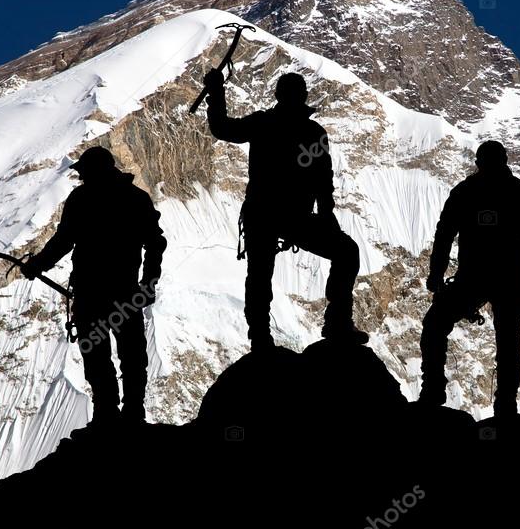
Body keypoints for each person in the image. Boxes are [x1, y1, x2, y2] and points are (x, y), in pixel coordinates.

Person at [203, 68, 368, 350]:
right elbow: (322, 182)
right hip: (295, 218)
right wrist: (327, 219)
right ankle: (337, 322)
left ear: (278, 96)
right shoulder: (314, 133)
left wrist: (216, 92)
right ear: (303, 97)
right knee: (346, 252)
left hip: (262, 214)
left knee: (259, 275)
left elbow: (222, 128)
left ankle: (260, 337)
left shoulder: (262, 124)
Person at [418, 140, 520, 416]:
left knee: (436, 324)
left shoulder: (466, 192)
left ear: (479, 162)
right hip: (508, 278)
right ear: (505, 160)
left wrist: (436, 274)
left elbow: (444, 235)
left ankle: (433, 389)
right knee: (508, 341)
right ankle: (505, 405)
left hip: (473, 278)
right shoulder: (519, 192)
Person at [21, 146, 166, 426]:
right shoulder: (135, 199)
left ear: (94, 171)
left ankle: (107, 415)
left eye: (85, 172)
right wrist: (148, 282)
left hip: (91, 294)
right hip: (125, 293)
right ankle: (130, 413)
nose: (83, 177)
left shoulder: (81, 200)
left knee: (99, 355)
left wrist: (36, 265)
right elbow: (155, 243)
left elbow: (63, 242)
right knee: (130, 355)